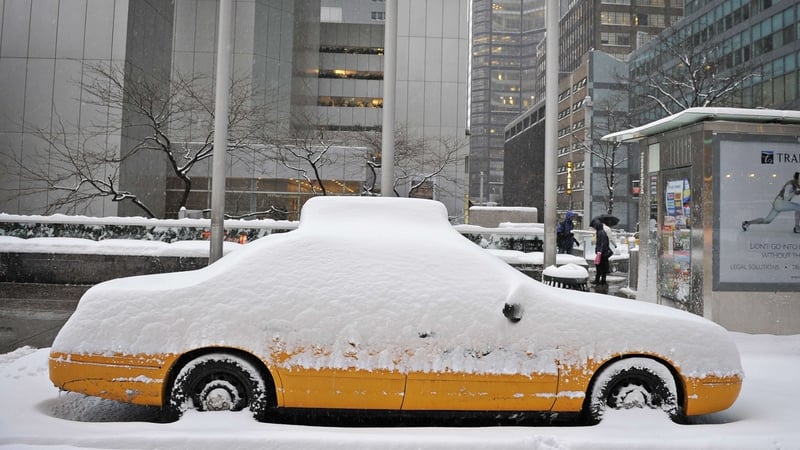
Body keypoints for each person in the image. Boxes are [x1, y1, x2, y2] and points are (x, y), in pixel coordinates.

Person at [592, 219, 613, 285]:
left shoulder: (600, 232)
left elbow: (601, 243)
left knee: (599, 266)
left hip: (601, 252)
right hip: (604, 251)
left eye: (595, 226)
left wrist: (599, 251)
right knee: (603, 266)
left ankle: (597, 280)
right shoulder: (602, 231)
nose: (594, 227)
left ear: (597, 226)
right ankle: (603, 280)